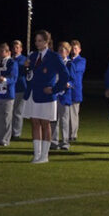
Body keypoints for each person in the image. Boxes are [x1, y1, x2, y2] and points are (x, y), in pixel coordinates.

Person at [22, 30, 70, 164]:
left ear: (47, 42)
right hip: (33, 93)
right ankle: (36, 154)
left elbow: (65, 75)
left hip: (46, 95)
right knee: (35, 123)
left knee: (45, 123)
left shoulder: (54, 57)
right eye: (36, 41)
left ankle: (44, 155)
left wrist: (54, 89)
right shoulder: (32, 56)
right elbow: (27, 74)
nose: (37, 43)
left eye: (40, 41)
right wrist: (25, 67)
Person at [51, 41, 74, 150]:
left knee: (64, 120)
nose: (60, 52)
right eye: (59, 50)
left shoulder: (70, 64)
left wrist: (68, 84)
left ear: (68, 52)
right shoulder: (54, 63)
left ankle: (65, 142)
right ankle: (53, 141)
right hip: (54, 95)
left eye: (63, 50)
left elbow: (74, 80)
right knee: (53, 119)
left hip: (64, 95)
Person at [68, 40, 86, 142]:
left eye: (76, 48)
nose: (74, 51)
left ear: (79, 50)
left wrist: (68, 62)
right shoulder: (68, 60)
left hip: (75, 90)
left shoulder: (81, 60)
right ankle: (67, 134)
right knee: (66, 115)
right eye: (72, 48)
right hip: (67, 91)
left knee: (74, 114)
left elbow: (76, 70)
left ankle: (73, 134)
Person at [11, 39, 28, 140]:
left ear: (21, 49)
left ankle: (16, 133)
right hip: (10, 88)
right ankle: (9, 131)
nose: (15, 49)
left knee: (18, 112)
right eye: (14, 47)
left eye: (17, 47)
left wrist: (27, 67)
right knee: (9, 112)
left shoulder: (24, 59)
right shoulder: (10, 59)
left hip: (20, 88)